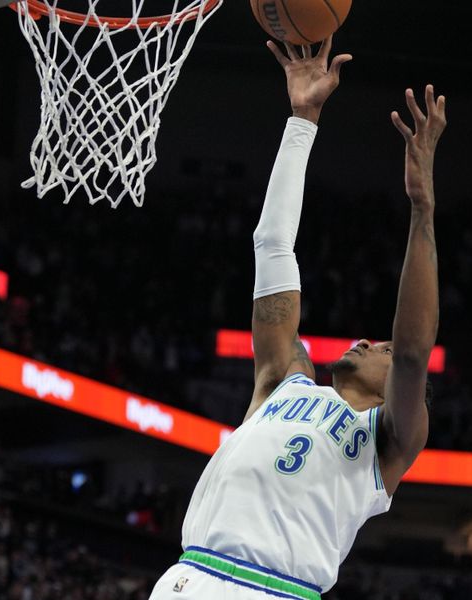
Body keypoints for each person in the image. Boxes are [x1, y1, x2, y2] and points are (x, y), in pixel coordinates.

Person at [149, 36, 446, 599]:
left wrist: (422, 208)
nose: (368, 341)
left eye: (378, 348)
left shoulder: (388, 440)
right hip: (187, 578)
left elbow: (412, 349)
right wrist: (302, 121)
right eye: (373, 340)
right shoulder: (281, 381)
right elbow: (271, 245)